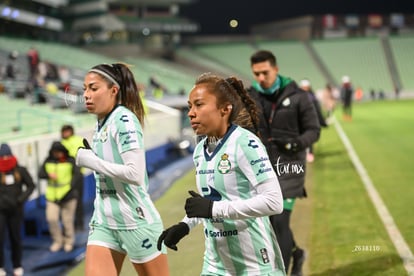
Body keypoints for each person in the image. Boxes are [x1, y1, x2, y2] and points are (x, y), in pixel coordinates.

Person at [157, 73, 286, 275]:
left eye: (199, 105)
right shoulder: (200, 150)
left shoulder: (245, 143)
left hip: (255, 266)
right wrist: (184, 226)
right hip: (215, 265)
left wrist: (214, 209)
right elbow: (209, 203)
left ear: (225, 109)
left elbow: (274, 202)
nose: (191, 113)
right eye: (190, 106)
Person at [76, 63, 169, 276]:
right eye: (84, 89)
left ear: (113, 90)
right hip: (104, 222)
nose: (86, 95)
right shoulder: (100, 124)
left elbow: (135, 174)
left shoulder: (124, 119)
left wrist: (91, 161)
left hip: (135, 221)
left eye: (93, 88)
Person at [248, 50, 321, 276]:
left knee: (279, 220)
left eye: (265, 72)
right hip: (262, 169)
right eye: (256, 74)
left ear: (276, 70)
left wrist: (296, 144)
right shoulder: (249, 97)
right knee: (270, 223)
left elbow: (314, 130)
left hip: (290, 167)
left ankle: (284, 271)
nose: (261, 78)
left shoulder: (299, 96)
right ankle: (297, 253)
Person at [39, 141, 81, 253]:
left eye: (59, 152)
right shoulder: (48, 161)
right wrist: (48, 175)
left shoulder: (71, 160)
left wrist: (71, 188)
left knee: (67, 221)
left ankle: (68, 242)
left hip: (69, 196)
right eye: (54, 152)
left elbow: (77, 175)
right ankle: (57, 241)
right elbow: (40, 173)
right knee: (51, 219)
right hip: (52, 197)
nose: (57, 154)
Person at [0, 143, 35, 276]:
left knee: (16, 238)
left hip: (16, 211)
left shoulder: (19, 170)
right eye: (2, 157)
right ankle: (1, 266)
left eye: (7, 156)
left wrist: (21, 199)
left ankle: (17, 265)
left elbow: (31, 185)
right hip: (1, 211)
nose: (4, 159)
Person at [61, 124, 85, 231]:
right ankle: (68, 226)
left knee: (78, 200)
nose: (65, 133)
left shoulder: (79, 140)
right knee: (67, 202)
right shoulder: (61, 144)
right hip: (65, 177)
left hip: (78, 175)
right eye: (63, 131)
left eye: (66, 131)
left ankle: (79, 223)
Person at [299, 79, 327, 163]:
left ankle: (310, 153)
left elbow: (317, 110)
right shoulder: (297, 96)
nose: (305, 89)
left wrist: (321, 120)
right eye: (303, 87)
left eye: (306, 87)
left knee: (309, 137)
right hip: (300, 120)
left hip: (309, 120)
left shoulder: (312, 97)